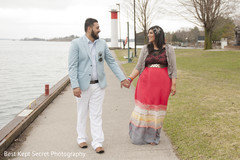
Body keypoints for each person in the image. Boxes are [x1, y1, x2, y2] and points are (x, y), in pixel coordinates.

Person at [68, 18, 130, 153]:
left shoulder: (102, 44)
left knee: (96, 114)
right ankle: (81, 138)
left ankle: (97, 142)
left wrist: (122, 78)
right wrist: (75, 86)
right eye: (97, 27)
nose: (99, 29)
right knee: (82, 113)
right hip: (82, 86)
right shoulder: (76, 44)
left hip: (99, 86)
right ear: (89, 28)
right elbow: (72, 67)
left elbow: (112, 62)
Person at [127, 25, 177, 145]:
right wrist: (129, 79)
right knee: (143, 108)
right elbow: (139, 66)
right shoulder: (145, 48)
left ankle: (153, 137)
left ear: (157, 34)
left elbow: (173, 68)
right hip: (145, 83)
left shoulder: (169, 49)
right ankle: (138, 136)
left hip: (162, 85)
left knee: (156, 110)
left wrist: (173, 85)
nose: (148, 35)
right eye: (148, 33)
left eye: (150, 33)